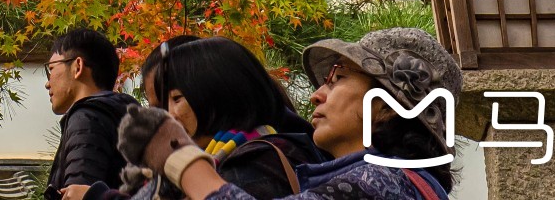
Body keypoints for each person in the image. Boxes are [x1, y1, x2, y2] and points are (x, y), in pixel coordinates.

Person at [113, 28, 462, 200]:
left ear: (386, 107)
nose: (316, 95)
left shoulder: (383, 185)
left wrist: (180, 159)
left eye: (338, 80)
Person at [135, 37, 325, 198]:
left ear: (219, 93)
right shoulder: (226, 157)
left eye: (176, 98)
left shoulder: (254, 163)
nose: (166, 116)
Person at [43, 27, 135, 197]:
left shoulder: (87, 118)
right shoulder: (126, 115)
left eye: (51, 69)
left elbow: (77, 193)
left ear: (77, 66)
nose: (47, 84)